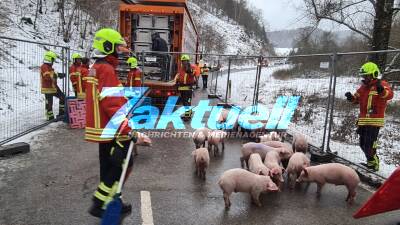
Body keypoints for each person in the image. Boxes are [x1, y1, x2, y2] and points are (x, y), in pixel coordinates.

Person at [86, 28, 137, 218]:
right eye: (117, 48)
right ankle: (99, 203)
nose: (119, 52)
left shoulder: (96, 68)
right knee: (121, 163)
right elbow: (111, 103)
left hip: (102, 127)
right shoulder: (106, 70)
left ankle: (112, 201)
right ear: (107, 47)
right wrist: (127, 127)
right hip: (111, 128)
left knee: (109, 165)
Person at [345, 62, 393, 171]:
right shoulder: (363, 88)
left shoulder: (382, 84)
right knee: (362, 144)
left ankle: (374, 164)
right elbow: (355, 100)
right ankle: (369, 162)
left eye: (366, 75)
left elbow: (389, 95)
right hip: (363, 121)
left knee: (369, 144)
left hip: (374, 121)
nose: (364, 78)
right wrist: (350, 98)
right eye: (363, 76)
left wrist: (382, 91)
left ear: (374, 74)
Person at [40, 51, 65, 121]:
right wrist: (57, 75)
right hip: (47, 88)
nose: (53, 61)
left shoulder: (49, 67)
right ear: (49, 59)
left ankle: (61, 113)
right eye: (53, 59)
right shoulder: (44, 66)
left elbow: (52, 75)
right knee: (49, 103)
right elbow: (47, 76)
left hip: (53, 87)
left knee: (63, 97)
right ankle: (50, 117)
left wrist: (58, 74)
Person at [174, 54, 196, 120]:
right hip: (182, 88)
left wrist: (190, 71)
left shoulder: (191, 67)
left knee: (187, 102)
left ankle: (188, 116)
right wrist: (177, 82)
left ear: (188, 61)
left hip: (188, 88)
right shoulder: (182, 68)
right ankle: (187, 115)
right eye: (182, 61)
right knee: (184, 102)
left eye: (185, 61)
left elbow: (193, 74)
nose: (183, 62)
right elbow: (179, 76)